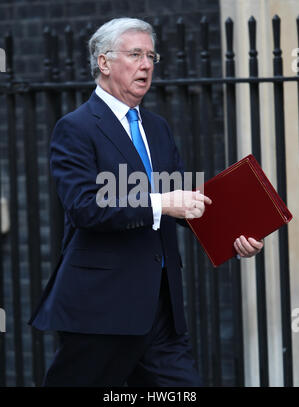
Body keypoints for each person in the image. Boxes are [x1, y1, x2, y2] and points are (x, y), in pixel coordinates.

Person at [29, 17, 264, 387]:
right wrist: (161, 203)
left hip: (161, 313)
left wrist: (236, 236)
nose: (146, 64)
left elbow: (185, 199)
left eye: (151, 55)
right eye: (135, 54)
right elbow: (85, 207)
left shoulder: (157, 127)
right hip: (101, 311)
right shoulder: (76, 128)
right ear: (103, 62)